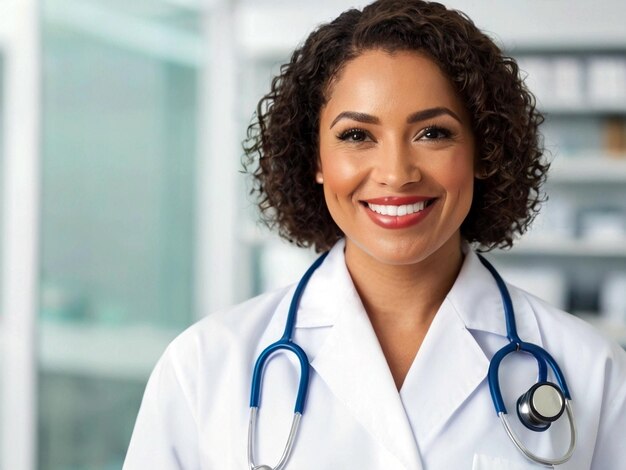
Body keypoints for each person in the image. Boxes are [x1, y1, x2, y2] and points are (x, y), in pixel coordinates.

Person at [124, 1, 626, 469]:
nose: (396, 172)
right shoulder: (206, 367)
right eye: (356, 136)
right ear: (315, 160)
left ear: (483, 151)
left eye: (433, 133)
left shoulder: (589, 369)